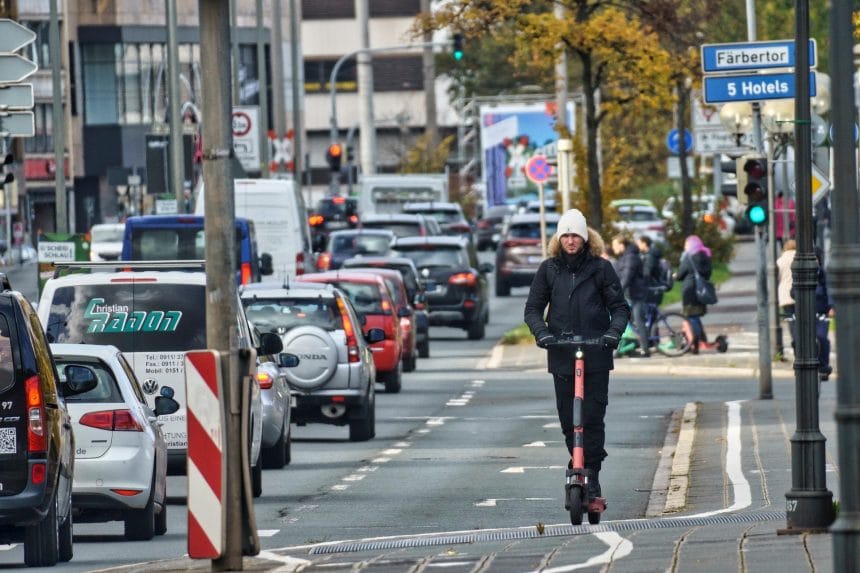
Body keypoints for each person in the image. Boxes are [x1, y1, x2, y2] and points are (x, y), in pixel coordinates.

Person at [524, 208, 630, 504]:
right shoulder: (548, 270)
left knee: (593, 417)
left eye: (576, 235)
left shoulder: (600, 268)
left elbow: (620, 308)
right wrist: (542, 333)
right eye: (566, 235)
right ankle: (577, 462)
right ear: (559, 238)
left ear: (585, 238)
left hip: (596, 353)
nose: (571, 241)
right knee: (569, 419)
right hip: (561, 353)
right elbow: (532, 309)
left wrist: (612, 334)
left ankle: (592, 476)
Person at [611, 235, 651, 357]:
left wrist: (617, 292)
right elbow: (618, 275)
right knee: (626, 322)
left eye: (615, 246)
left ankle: (645, 349)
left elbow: (627, 277)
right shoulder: (624, 257)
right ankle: (627, 347)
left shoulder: (631, 257)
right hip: (630, 294)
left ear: (622, 245)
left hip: (637, 294)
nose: (614, 249)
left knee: (638, 321)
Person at [675, 234, 713, 354]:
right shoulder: (705, 255)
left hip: (690, 291)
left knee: (692, 318)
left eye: (686, 244)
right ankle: (703, 340)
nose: (685, 247)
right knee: (695, 317)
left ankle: (695, 343)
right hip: (701, 291)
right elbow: (708, 273)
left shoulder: (689, 258)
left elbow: (680, 275)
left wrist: (675, 276)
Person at [776, 239, 797, 350]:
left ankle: (795, 339)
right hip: (799, 292)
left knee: (790, 319)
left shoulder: (780, 261)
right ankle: (801, 339)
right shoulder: (800, 257)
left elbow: (777, 278)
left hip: (785, 295)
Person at [638, 235, 665, 305]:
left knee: (647, 312)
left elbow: (647, 273)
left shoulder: (650, 256)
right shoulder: (649, 254)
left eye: (639, 244)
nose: (638, 246)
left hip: (651, 287)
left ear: (644, 244)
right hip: (654, 286)